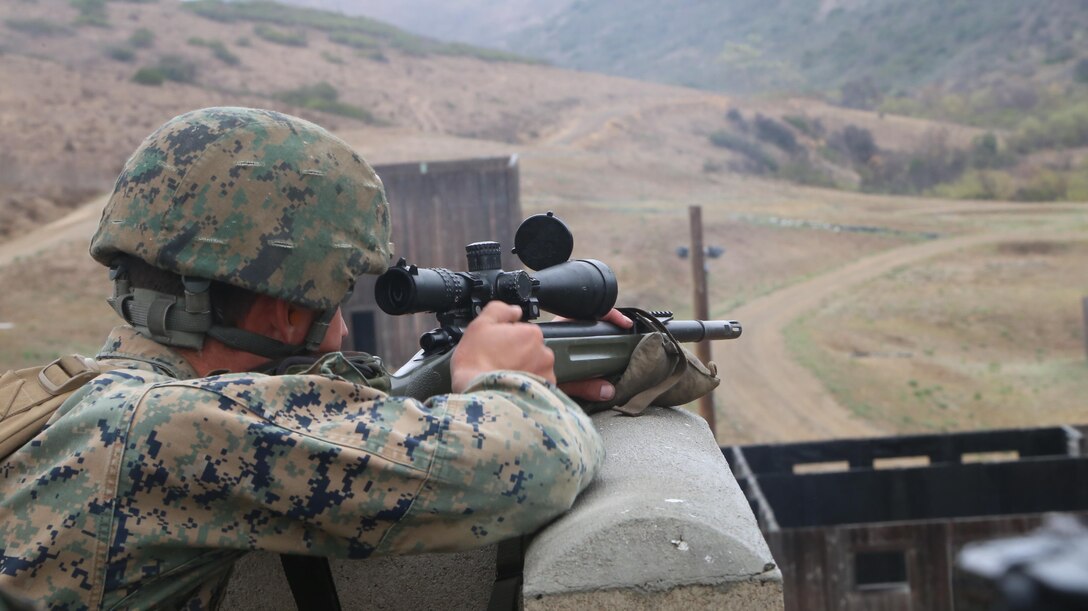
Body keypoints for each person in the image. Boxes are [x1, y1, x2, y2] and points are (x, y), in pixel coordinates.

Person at [0, 107, 627, 609]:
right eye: (337, 296)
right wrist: (511, 380)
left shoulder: (65, 399)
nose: (337, 335)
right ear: (286, 311)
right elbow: (528, 466)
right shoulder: (168, 427)